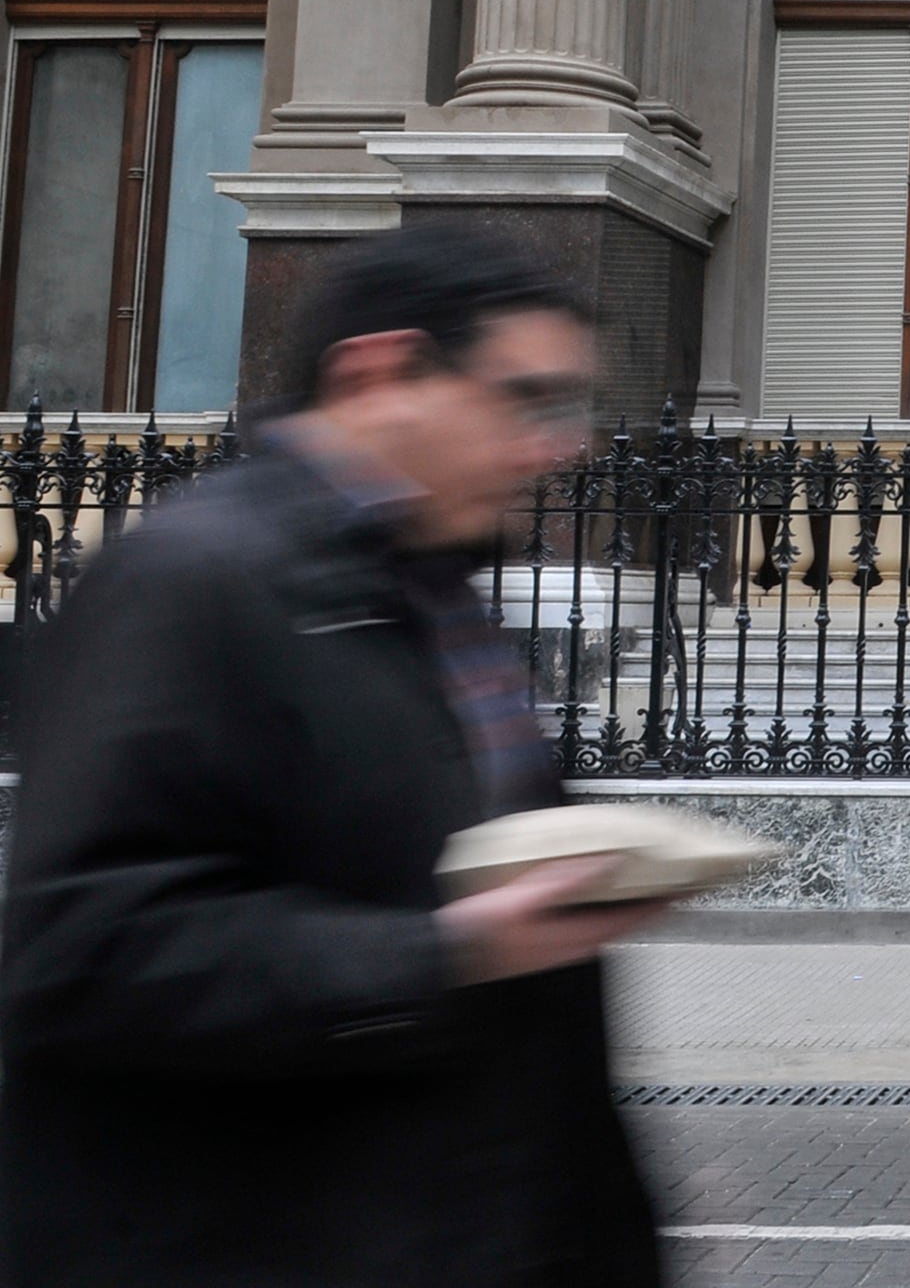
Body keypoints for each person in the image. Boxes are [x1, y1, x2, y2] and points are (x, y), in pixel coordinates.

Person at [2, 223, 670, 1287]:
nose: (564, 443)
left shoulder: (432, 586)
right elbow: (83, 948)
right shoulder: (191, 579)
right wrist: (446, 952)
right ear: (378, 372)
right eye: (527, 397)